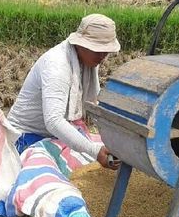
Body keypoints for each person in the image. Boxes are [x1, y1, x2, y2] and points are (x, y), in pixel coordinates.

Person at [7, 14, 122, 170]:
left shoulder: (90, 61)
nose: (103, 55)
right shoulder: (57, 66)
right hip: (27, 135)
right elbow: (54, 121)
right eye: (98, 50)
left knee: (85, 153)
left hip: (54, 134)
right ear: (81, 44)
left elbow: (94, 103)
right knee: (50, 172)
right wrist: (94, 151)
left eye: (106, 51)